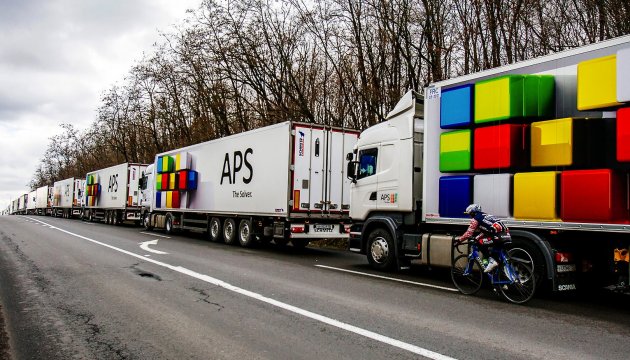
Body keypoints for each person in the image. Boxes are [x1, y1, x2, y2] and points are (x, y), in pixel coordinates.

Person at [457, 204, 512, 273]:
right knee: (493, 250)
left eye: (470, 214)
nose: (470, 216)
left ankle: (491, 261)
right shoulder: (487, 216)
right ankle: (497, 268)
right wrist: (476, 238)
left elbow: (468, 234)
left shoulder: (475, 219)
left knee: (480, 243)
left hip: (497, 237)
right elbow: (486, 231)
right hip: (506, 235)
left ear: (473, 213)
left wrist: (459, 240)